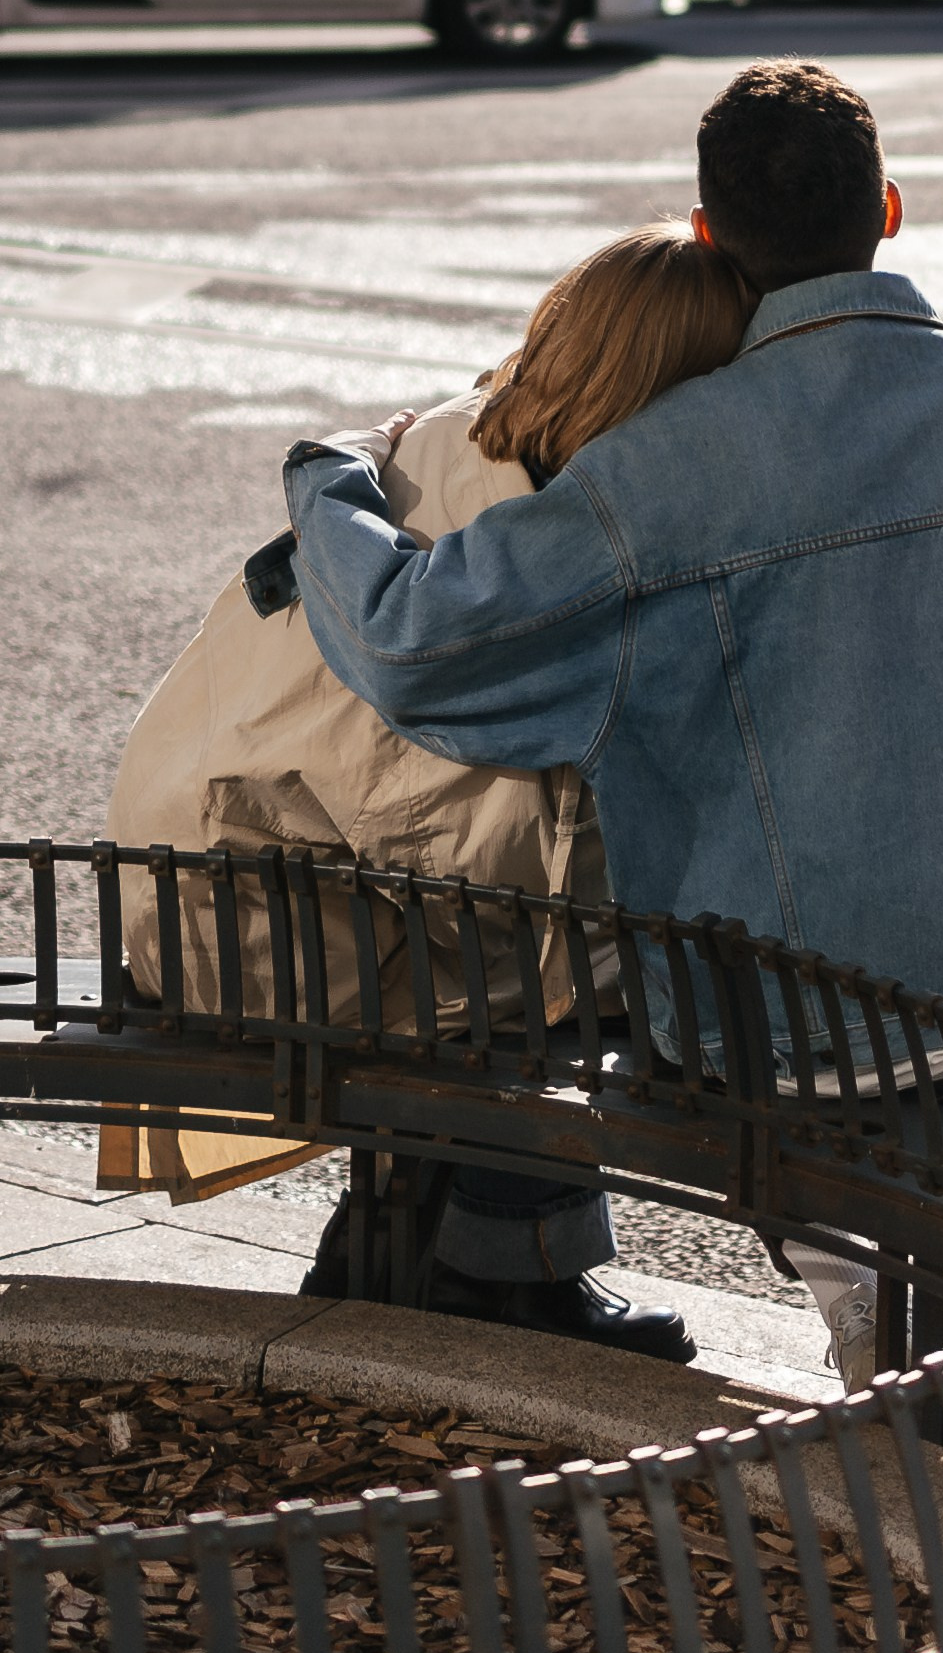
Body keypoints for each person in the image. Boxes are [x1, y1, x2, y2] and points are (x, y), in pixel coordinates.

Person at [272, 59, 943, 1368]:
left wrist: (330, 487)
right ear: (887, 209)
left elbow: (422, 644)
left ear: (716, 237)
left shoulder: (669, 465)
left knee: (504, 954)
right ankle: (513, 1265)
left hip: (797, 1027)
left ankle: (490, 1262)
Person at [103, 222, 759, 1362]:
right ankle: (504, 1276)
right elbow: (474, 839)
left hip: (258, 872)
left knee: (558, 941)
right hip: (264, 919)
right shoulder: (511, 533)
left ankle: (392, 1249)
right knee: (609, 963)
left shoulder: (467, 445)